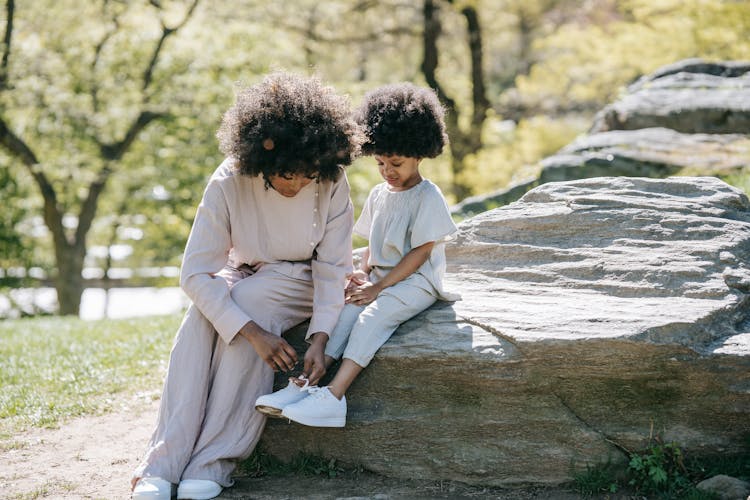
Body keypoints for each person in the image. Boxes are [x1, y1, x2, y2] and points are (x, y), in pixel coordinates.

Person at [130, 72, 363, 500]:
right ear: (260, 159)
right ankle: (162, 462)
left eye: (308, 175)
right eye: (286, 175)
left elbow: (332, 268)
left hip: (302, 279)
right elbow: (196, 273)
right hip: (245, 271)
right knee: (204, 313)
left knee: (246, 301)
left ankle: (214, 460)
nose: (298, 184)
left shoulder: (330, 179)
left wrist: (320, 337)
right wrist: (252, 334)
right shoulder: (227, 180)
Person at [254, 82, 457, 428]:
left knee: (370, 319)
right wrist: (363, 274)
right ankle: (306, 384)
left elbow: (420, 254)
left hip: (416, 282)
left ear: (420, 154)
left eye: (396, 162)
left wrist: (377, 290)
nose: (388, 171)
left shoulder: (427, 196)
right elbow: (374, 247)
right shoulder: (380, 194)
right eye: (380, 163)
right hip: (382, 279)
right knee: (345, 315)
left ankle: (333, 396)